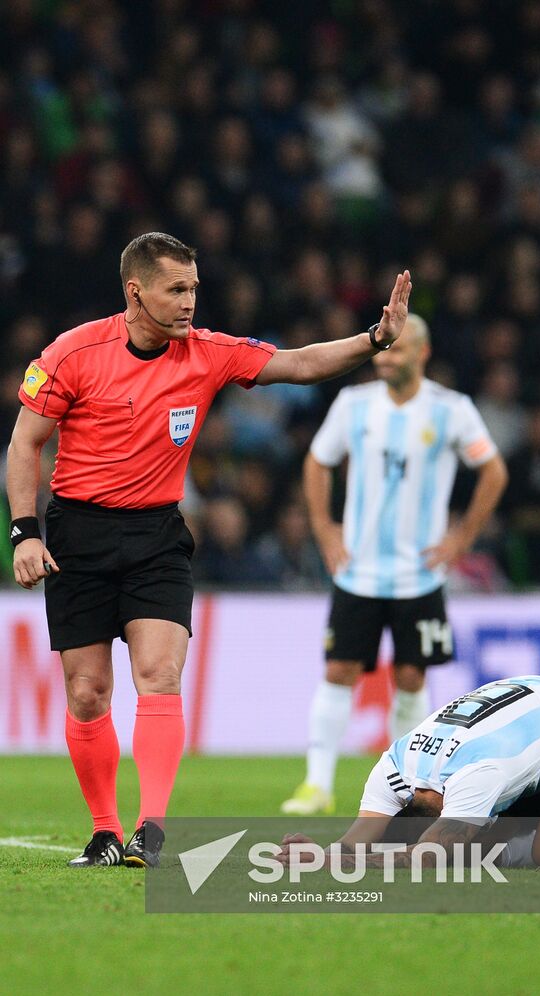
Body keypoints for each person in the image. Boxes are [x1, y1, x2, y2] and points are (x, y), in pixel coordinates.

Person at [7, 231, 412, 868]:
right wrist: (26, 532)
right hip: (79, 534)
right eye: (177, 289)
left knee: (160, 676)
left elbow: (300, 364)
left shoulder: (209, 353)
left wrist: (374, 340)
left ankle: (152, 828)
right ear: (135, 292)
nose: (191, 301)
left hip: (157, 536)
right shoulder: (73, 353)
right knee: (87, 693)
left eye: (194, 287)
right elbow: (25, 442)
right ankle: (105, 831)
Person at [281, 313, 508, 816]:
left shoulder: (451, 410)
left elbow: (492, 470)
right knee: (339, 669)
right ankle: (316, 785)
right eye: (384, 350)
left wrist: (461, 539)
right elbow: (317, 461)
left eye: (399, 350)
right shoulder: (354, 404)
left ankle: (405, 785)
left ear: (421, 354)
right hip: (358, 571)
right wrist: (324, 529)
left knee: (410, 677)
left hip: (419, 575)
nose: (387, 357)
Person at [279, 675, 540, 870]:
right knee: (487, 849)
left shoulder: (474, 777)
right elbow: (357, 840)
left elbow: (430, 855)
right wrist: (324, 854)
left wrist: (350, 862)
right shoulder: (392, 767)